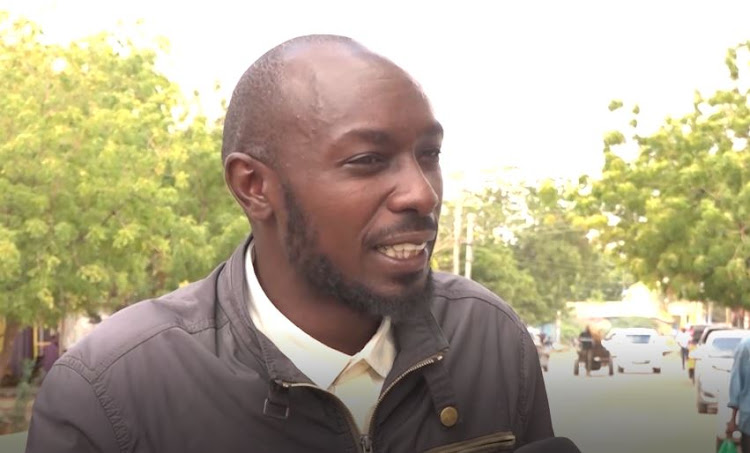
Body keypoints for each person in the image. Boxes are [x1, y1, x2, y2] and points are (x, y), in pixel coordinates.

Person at [26, 35, 555, 452]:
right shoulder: (111, 390)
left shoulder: (488, 338)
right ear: (254, 187)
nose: (421, 192)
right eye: (368, 160)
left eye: (429, 154)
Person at [727, 336, 750, 452]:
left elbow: (736, 381)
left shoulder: (744, 346)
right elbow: (737, 383)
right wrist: (732, 419)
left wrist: (732, 419)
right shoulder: (745, 346)